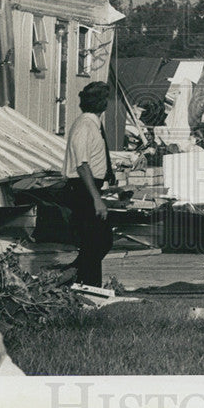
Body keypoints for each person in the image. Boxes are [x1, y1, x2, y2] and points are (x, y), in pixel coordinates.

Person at [63, 81, 116, 287]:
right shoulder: (84, 126)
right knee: (96, 242)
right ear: (101, 103)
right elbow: (82, 165)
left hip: (89, 186)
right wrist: (96, 199)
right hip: (83, 188)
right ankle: (81, 281)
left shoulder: (93, 124)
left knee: (98, 242)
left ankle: (82, 281)